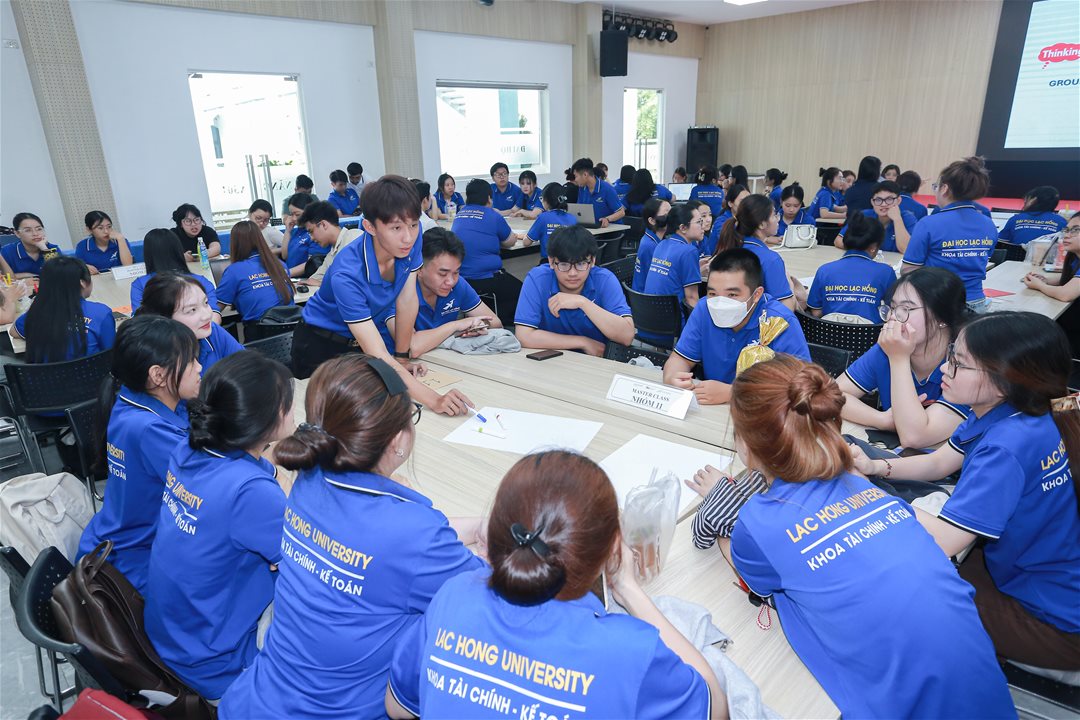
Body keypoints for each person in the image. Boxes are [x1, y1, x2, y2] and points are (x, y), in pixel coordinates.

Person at [713, 356, 1015, 718]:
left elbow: (755, 580)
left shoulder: (758, 523)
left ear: (746, 444)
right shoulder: (860, 483)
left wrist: (722, 519)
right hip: (986, 690)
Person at [219, 355, 487, 719]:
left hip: (255, 700)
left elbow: (388, 550)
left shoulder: (309, 479)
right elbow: (491, 600)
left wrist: (475, 526)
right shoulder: (411, 532)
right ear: (397, 440)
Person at [386, 450, 726, 720]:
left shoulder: (455, 594)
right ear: (611, 549)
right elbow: (714, 708)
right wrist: (627, 587)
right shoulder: (629, 650)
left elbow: (398, 707)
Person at [848, 313, 1080, 670]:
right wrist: (876, 468)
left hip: (1055, 623)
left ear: (1003, 380)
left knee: (897, 598)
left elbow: (944, 540)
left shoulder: (1006, 446)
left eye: (958, 363)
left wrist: (864, 490)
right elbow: (939, 462)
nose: (945, 368)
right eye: (951, 356)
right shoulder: (1024, 409)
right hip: (1042, 574)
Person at [145, 351, 293, 701]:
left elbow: (263, 474)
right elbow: (306, 565)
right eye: (288, 403)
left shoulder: (190, 448)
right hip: (218, 661)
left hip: (173, 633)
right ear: (265, 421)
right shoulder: (249, 492)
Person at [290, 175, 472, 416]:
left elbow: (406, 300)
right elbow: (376, 351)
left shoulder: (411, 241)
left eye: (413, 224)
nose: (408, 237)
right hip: (320, 347)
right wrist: (435, 400)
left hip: (358, 345)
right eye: (396, 228)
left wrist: (402, 357)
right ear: (370, 227)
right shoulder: (347, 273)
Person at [77, 315, 201, 594]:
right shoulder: (148, 430)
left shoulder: (131, 402)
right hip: (133, 564)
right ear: (157, 376)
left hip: (115, 541)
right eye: (191, 361)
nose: (199, 367)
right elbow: (211, 487)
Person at [837, 267, 969, 448]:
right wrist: (881, 419)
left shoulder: (965, 364)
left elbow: (914, 437)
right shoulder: (887, 350)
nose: (893, 317)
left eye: (907, 308)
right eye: (892, 308)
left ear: (942, 317)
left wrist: (898, 358)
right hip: (894, 454)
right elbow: (830, 395)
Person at [663, 249, 809, 404]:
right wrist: (672, 377)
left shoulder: (779, 321)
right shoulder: (704, 309)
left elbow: (802, 386)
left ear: (757, 294)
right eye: (712, 294)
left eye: (732, 295)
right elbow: (680, 359)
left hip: (762, 410)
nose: (720, 303)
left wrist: (733, 393)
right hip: (712, 408)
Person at [515, 226, 633, 356]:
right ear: (551, 261)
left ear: (592, 261)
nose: (572, 273)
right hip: (550, 357)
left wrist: (582, 302)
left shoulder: (605, 279)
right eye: (564, 264)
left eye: (581, 264)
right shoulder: (538, 279)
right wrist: (582, 342)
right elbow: (523, 336)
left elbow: (627, 337)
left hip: (595, 361)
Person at [902, 157, 997, 312]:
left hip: (939, 303)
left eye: (936, 186)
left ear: (944, 188)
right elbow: (983, 259)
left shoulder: (928, 223)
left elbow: (908, 270)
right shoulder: (988, 224)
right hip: (977, 303)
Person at [397, 228, 500, 357]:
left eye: (456, 272)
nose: (451, 281)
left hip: (443, 359)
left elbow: (496, 322)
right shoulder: (402, 290)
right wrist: (456, 326)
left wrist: (477, 325)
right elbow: (412, 346)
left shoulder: (458, 284)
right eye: (442, 274)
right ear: (419, 269)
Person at [10, 256, 115, 362]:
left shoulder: (37, 311)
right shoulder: (101, 313)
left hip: (45, 372)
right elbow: (111, 353)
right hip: (91, 372)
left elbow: (14, 332)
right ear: (82, 283)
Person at [451, 179, 526, 327]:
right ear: (489, 198)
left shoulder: (459, 214)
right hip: (487, 278)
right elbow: (510, 241)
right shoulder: (493, 215)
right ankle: (506, 322)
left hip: (461, 280)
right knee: (522, 290)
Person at [138, 273, 243, 374]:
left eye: (206, 303)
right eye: (192, 310)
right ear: (164, 318)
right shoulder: (153, 356)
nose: (207, 315)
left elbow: (246, 367)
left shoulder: (212, 331)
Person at [805, 212, 896, 323]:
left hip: (829, 333)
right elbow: (893, 310)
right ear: (874, 246)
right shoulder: (886, 272)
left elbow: (816, 312)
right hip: (870, 333)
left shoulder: (824, 270)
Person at [714, 194, 795, 309]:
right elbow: (786, 309)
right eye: (774, 215)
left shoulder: (731, 248)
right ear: (761, 224)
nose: (778, 219)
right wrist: (790, 286)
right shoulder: (770, 259)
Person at [216, 220, 294, 327]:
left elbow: (217, 307)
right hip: (292, 330)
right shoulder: (280, 264)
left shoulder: (234, 271)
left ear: (234, 244)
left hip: (260, 333)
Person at [130, 229, 220, 319]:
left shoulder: (140, 284)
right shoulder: (199, 280)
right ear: (179, 250)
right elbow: (214, 315)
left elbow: (139, 320)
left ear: (147, 254)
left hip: (159, 328)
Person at [1024, 212, 1080, 355]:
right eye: (1067, 229)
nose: (1067, 235)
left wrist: (1040, 286)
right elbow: (1071, 279)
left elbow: (1065, 295)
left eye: (1076, 230)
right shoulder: (1075, 257)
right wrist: (1046, 280)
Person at [644, 203, 705, 313]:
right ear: (683, 228)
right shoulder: (689, 251)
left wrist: (696, 269)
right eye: (699, 222)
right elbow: (691, 298)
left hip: (650, 315)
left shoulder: (662, 244)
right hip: (674, 318)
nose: (703, 226)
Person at [835, 181, 918, 253]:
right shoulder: (864, 215)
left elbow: (906, 249)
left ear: (898, 200)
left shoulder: (908, 218)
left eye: (889, 199)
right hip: (867, 261)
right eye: (878, 200)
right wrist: (864, 252)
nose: (883, 204)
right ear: (872, 202)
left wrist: (897, 219)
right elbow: (838, 240)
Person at [299, 200, 361, 286]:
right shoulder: (331, 255)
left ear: (323, 225)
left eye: (311, 231)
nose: (312, 238)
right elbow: (313, 280)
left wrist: (322, 284)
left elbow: (355, 280)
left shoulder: (355, 237)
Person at [525, 182, 576, 263]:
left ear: (547, 200)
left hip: (548, 263)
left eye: (542, 199)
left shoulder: (543, 217)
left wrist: (524, 236)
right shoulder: (573, 218)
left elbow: (526, 242)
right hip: (569, 263)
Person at [999, 186, 1068, 245]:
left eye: (1026, 200)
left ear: (1033, 200)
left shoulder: (1015, 219)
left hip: (1016, 256)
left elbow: (1000, 243)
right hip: (1047, 256)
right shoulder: (1061, 221)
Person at [0, 212, 61, 278]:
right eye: (28, 230)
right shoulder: (6, 252)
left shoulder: (52, 249)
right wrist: (25, 276)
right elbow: (5, 278)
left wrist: (44, 248)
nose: (35, 234)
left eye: (39, 229)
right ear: (17, 233)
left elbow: (59, 275)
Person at [284, 193, 330, 278]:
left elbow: (314, 262)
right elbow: (285, 256)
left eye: (297, 214)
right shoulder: (296, 231)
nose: (293, 218)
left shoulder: (316, 232)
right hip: (291, 277)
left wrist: (286, 273)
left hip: (307, 278)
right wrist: (287, 231)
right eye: (291, 214)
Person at [572, 157, 625, 227]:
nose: (575, 180)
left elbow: (621, 212)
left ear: (585, 175)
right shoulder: (582, 189)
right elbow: (580, 210)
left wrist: (607, 219)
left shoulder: (607, 189)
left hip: (612, 229)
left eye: (576, 176)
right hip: (594, 228)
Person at [632, 197, 669, 292]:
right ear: (652, 221)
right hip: (648, 297)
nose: (672, 217)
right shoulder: (650, 246)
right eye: (666, 214)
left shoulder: (654, 239)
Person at [703, 184, 748, 256]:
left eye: (749, 200)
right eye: (742, 201)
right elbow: (733, 243)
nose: (747, 204)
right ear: (730, 203)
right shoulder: (722, 222)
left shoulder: (745, 219)